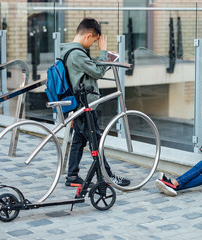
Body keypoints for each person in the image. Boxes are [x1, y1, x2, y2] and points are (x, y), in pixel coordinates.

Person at [61, 18, 130, 187]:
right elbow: (98, 72)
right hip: (85, 104)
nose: (93, 44)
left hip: (80, 103)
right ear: (89, 35)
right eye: (93, 41)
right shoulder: (77, 54)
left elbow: (89, 69)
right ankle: (107, 176)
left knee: (79, 139)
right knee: (96, 141)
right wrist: (104, 51)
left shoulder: (68, 50)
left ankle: (72, 176)